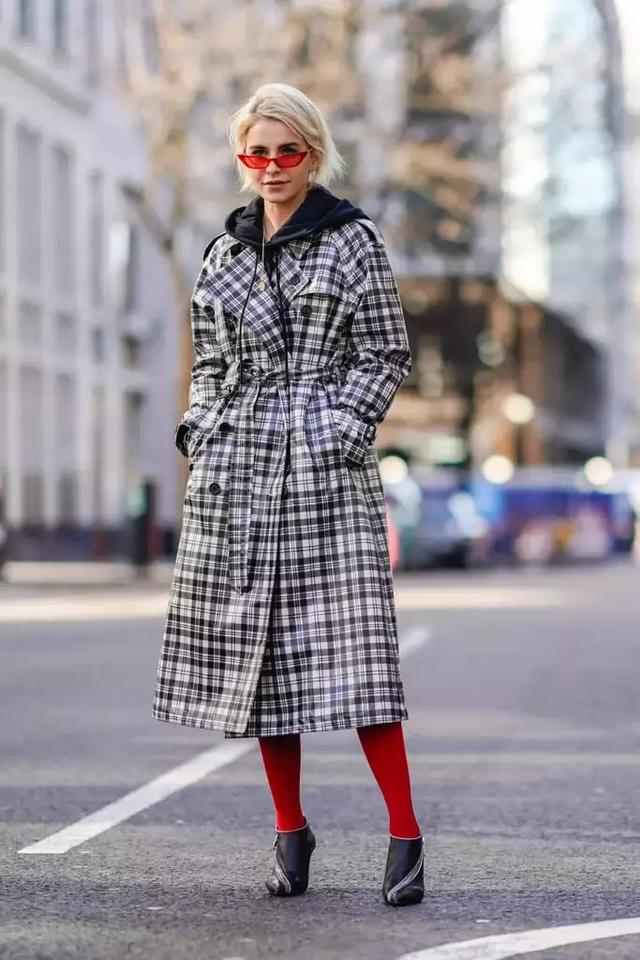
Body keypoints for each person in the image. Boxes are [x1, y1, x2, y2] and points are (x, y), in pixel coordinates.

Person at [152, 82, 424, 907]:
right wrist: (202, 431)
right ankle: (289, 830)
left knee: (360, 661)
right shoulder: (223, 253)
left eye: (287, 151)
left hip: (323, 477)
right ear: (243, 159)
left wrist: (338, 430)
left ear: (313, 152)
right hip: (238, 475)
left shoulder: (352, 240)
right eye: (257, 152)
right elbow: (208, 362)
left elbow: (386, 351)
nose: (271, 166)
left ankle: (405, 834)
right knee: (261, 666)